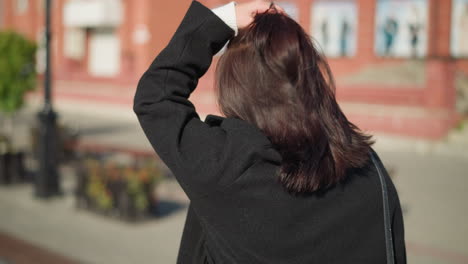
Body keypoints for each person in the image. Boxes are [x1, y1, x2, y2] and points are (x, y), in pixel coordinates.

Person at [133, 1, 406, 263]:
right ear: (313, 82)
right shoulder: (370, 171)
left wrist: (224, 19)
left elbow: (156, 97)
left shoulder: (225, 165)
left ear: (236, 89)